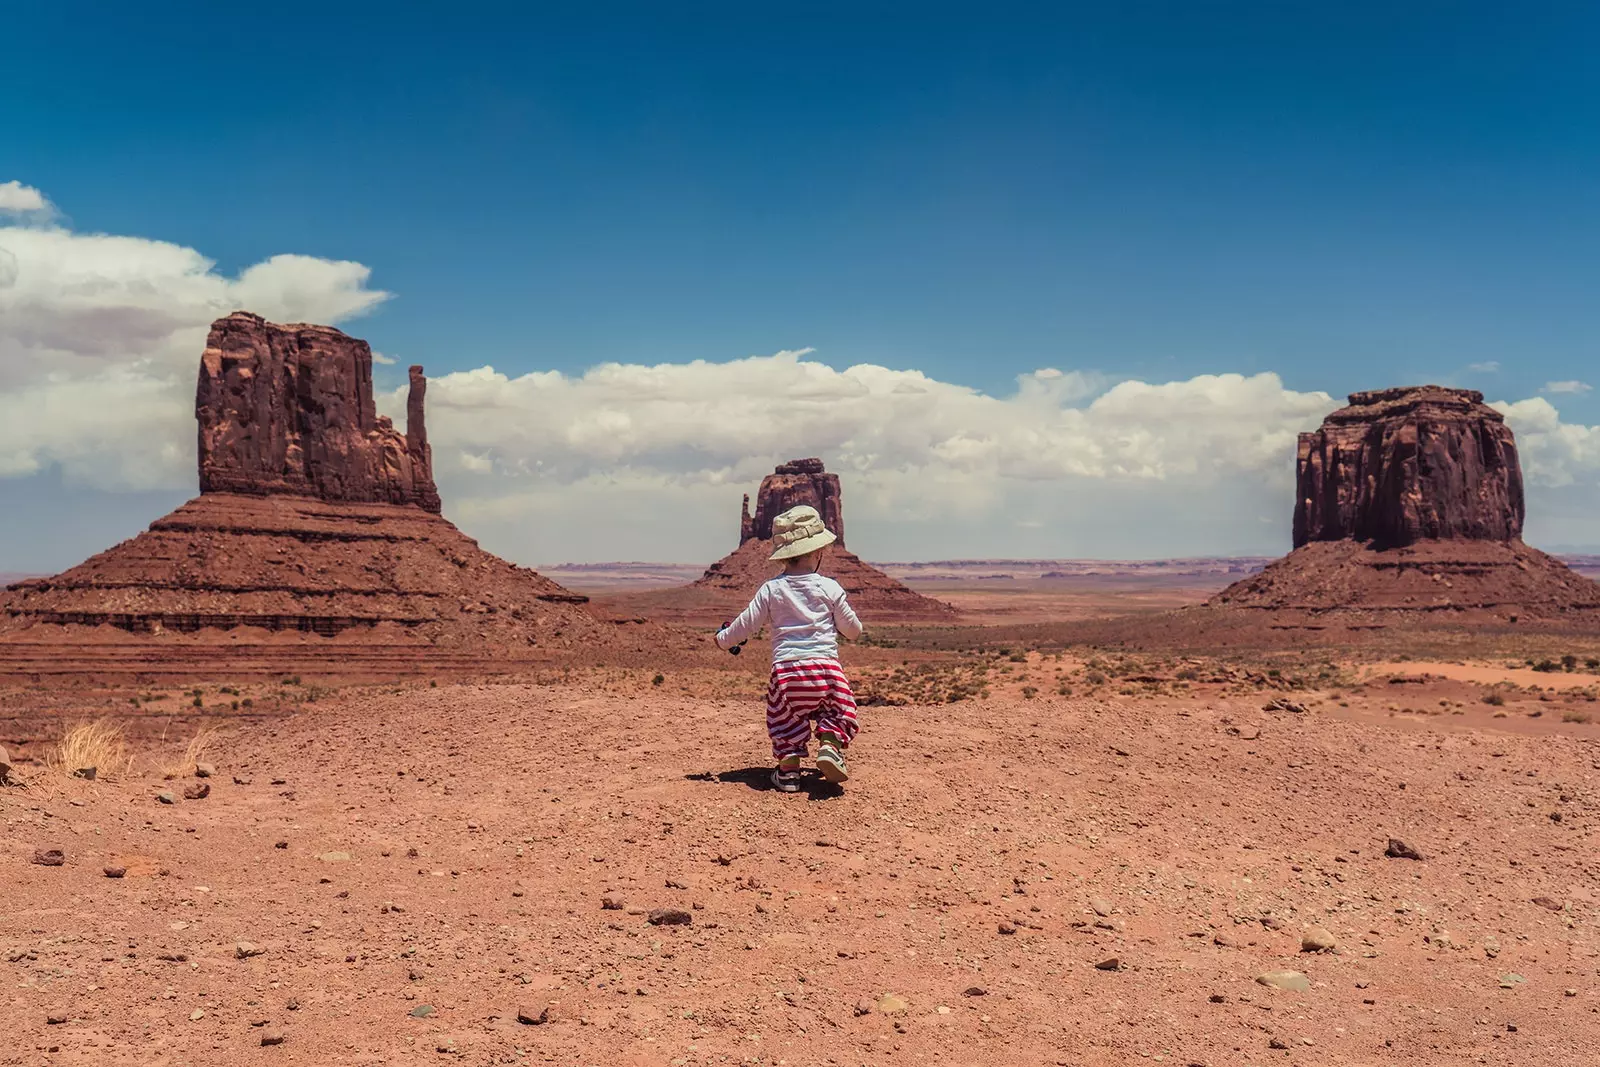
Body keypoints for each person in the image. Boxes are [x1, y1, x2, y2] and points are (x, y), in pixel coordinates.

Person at [717, 504, 864, 792]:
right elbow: (853, 631)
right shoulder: (830, 588)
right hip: (826, 671)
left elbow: (744, 626)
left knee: (784, 722)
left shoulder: (771, 589)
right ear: (818, 550)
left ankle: (787, 773)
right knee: (837, 710)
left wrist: (722, 639)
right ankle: (830, 747)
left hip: (787, 673)